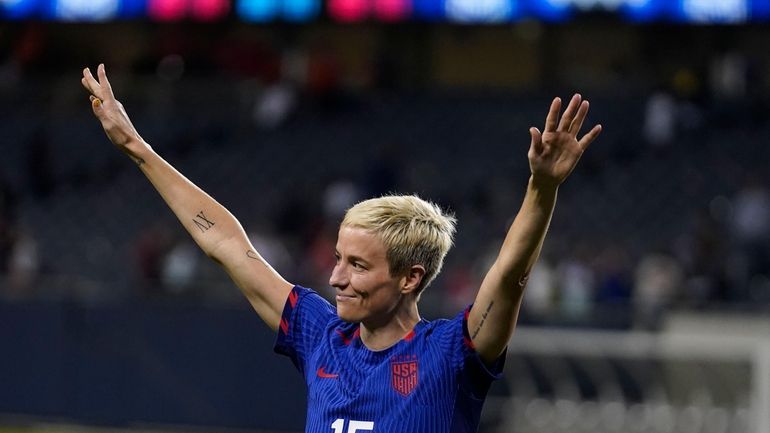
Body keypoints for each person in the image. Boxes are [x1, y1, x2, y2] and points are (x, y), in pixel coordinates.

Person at [81, 63, 601, 433]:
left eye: (356, 265)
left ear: (410, 278)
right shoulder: (319, 335)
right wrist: (136, 148)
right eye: (337, 259)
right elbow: (225, 243)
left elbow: (509, 274)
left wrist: (542, 188)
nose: (335, 278)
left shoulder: (453, 356)